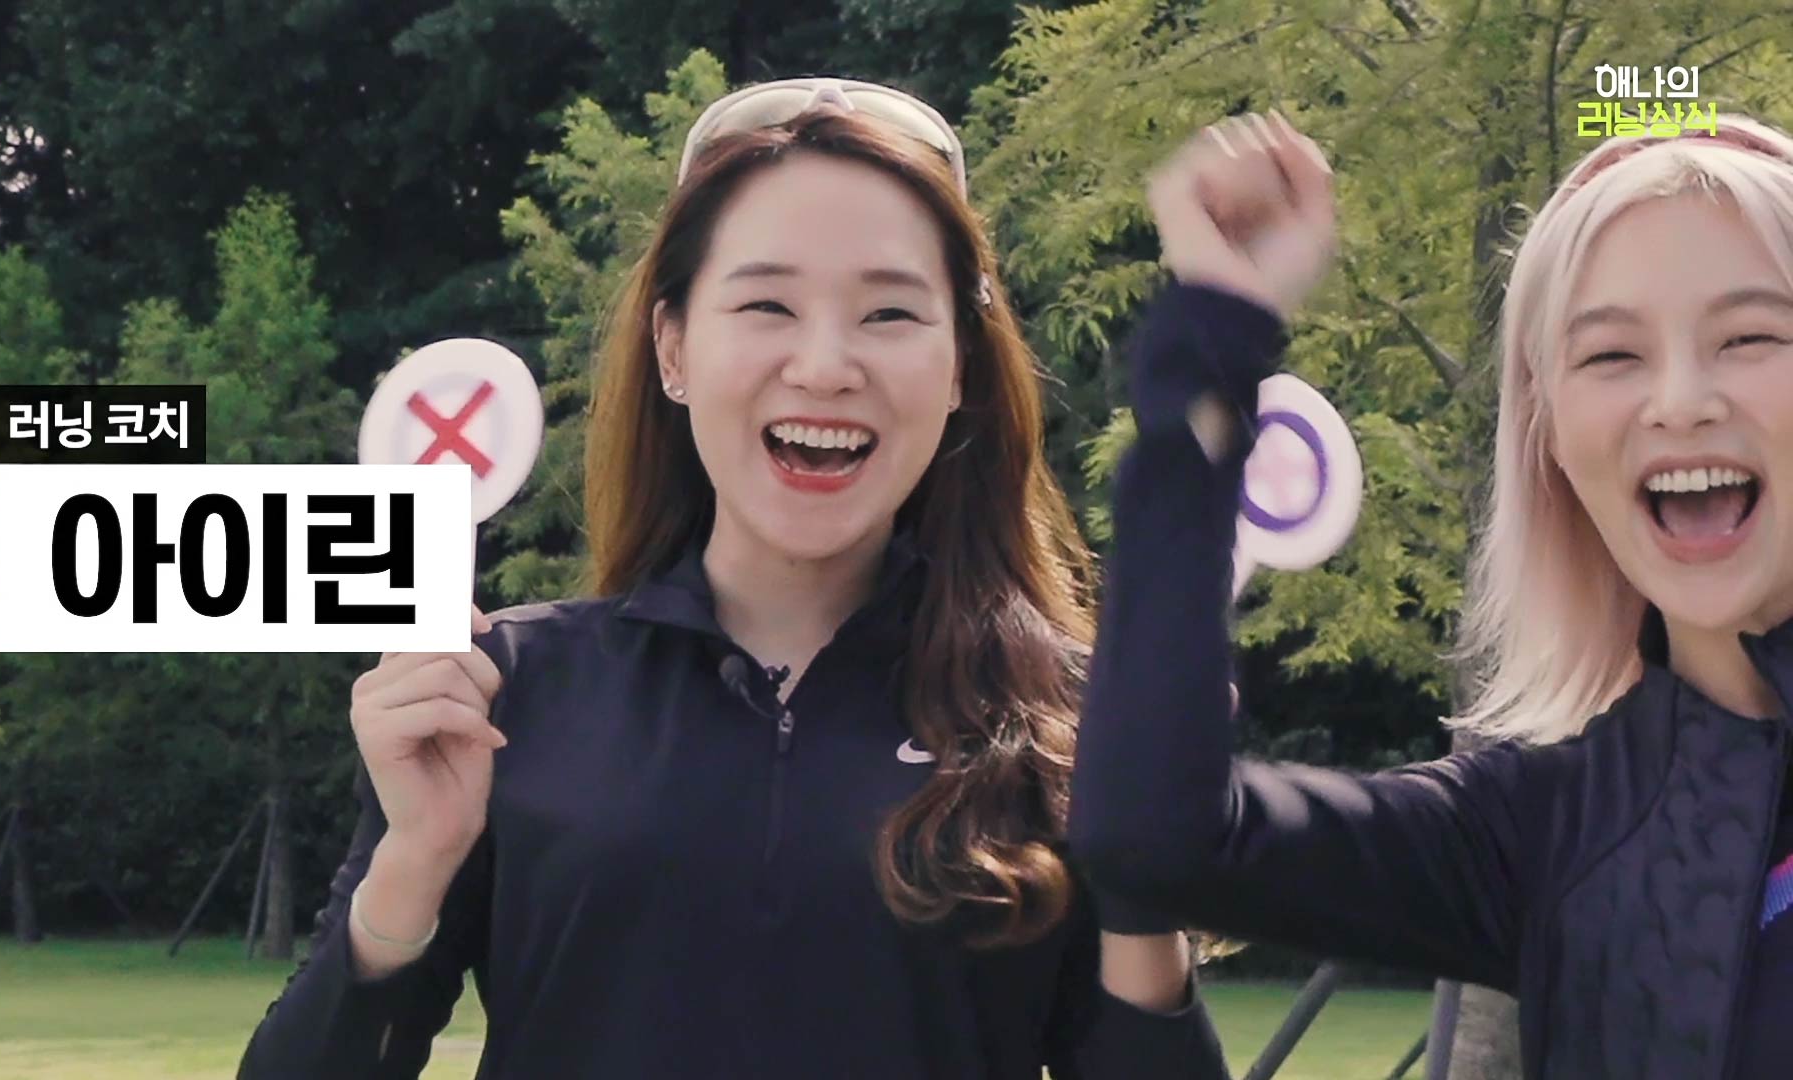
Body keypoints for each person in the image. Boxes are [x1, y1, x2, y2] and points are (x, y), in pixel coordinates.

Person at [239, 78, 1231, 1079]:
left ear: (960, 368)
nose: (825, 365)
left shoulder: (1073, 724)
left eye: (889, 312)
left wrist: (1144, 888)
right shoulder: (503, 696)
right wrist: (414, 863)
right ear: (673, 347)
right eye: (766, 304)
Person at [1068, 105, 1793, 1080]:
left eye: (1750, 337)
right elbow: (1156, 839)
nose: (1679, 402)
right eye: (1611, 355)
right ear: (1549, 435)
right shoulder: (1544, 826)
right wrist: (1213, 334)